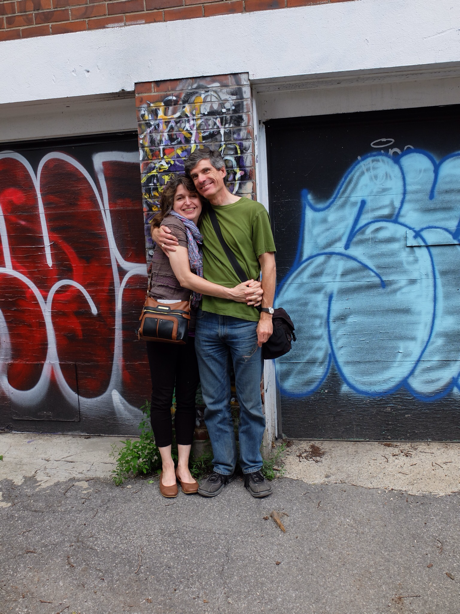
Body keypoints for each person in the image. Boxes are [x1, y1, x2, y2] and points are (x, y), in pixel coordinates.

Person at [153, 148, 277, 498]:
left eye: (206, 172)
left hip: (245, 322)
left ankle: (252, 468)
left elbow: (268, 264)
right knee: (215, 401)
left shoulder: (252, 211)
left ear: (222, 172)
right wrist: (156, 230)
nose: (201, 180)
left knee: (250, 402)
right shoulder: (198, 212)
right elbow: (168, 219)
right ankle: (222, 467)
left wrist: (266, 313)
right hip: (206, 322)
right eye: (195, 177)